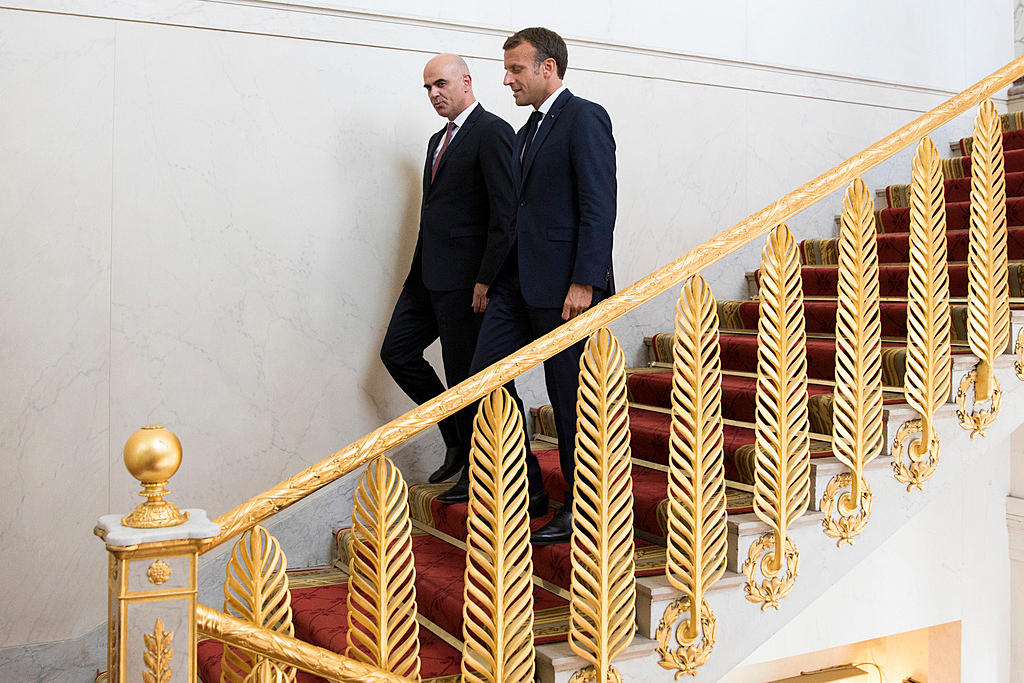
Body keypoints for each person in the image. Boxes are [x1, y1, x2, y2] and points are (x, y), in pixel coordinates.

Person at [437, 28, 616, 546]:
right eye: (507, 69)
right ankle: (526, 486)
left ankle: (584, 509)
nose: (507, 79)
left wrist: (586, 279)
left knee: (570, 400)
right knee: (482, 378)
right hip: (516, 285)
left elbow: (598, 205)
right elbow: (513, 214)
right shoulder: (524, 132)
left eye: (516, 69)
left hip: (566, 288)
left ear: (549, 69)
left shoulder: (584, 117)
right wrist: (492, 279)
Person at [380, 54, 516, 485]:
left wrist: (487, 278)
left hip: (467, 283)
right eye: (427, 88)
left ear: (466, 81)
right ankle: (454, 437)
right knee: (396, 353)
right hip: (425, 277)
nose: (434, 94)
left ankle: (477, 472)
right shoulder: (436, 139)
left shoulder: (493, 131)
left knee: (464, 377)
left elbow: (505, 214)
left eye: (440, 84)